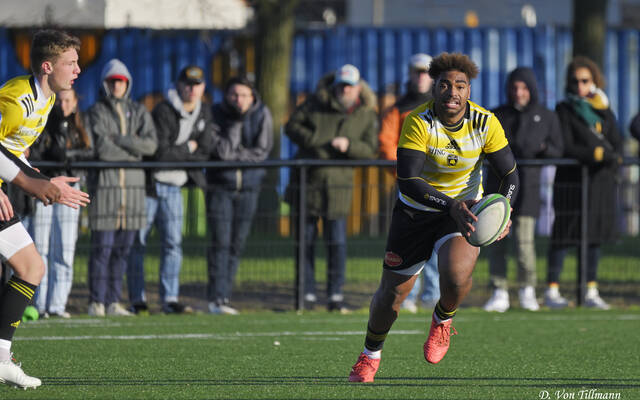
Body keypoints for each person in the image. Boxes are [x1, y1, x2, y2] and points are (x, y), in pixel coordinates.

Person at [348, 52, 519, 383]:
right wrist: (451, 205)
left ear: (469, 90)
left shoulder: (486, 122)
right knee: (392, 296)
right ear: (434, 88)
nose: (452, 92)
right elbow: (409, 181)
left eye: (460, 85)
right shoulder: (418, 120)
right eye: (445, 84)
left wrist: (504, 211)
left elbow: (510, 175)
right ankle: (370, 355)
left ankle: (443, 320)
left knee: (455, 278)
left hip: (463, 212)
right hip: (415, 211)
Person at [0, 29, 90, 389]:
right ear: (47, 66)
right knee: (30, 266)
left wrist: (43, 178)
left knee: (31, 267)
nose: (78, 69)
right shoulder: (16, 98)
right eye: (71, 62)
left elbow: (13, 152)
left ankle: (1, 357)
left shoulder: (48, 99)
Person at [285, 64, 378, 313]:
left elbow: (369, 150)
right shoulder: (314, 103)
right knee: (304, 243)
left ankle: (335, 294)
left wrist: (348, 146)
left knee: (336, 243)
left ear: (358, 88)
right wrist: (319, 143)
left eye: (349, 85)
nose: (344, 89)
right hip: (306, 184)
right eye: (341, 85)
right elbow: (291, 127)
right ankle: (306, 294)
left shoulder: (367, 114)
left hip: (339, 188)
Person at [127, 65, 213, 315]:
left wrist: (184, 153)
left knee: (173, 243)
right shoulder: (163, 110)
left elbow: (206, 151)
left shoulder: (204, 112)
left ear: (203, 87)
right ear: (178, 85)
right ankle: (137, 298)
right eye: (187, 83)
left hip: (175, 188)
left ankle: (170, 298)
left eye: (197, 84)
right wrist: (188, 149)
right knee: (138, 242)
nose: (192, 89)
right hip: (151, 187)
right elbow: (159, 153)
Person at [483, 67, 563, 312]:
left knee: (524, 242)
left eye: (524, 88)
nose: (519, 93)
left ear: (532, 89)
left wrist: (539, 149)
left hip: (528, 188)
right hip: (498, 187)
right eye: (515, 88)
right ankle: (499, 290)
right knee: (495, 238)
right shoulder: (497, 115)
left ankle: (527, 289)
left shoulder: (546, 116)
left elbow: (557, 149)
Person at [545, 56, 622, 310]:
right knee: (564, 233)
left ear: (594, 81)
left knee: (594, 235)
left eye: (585, 81)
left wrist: (609, 155)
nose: (580, 86)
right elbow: (566, 144)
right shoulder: (564, 109)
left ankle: (591, 290)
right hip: (572, 182)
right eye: (575, 81)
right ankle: (552, 290)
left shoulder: (604, 108)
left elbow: (616, 139)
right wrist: (595, 154)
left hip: (599, 183)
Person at [86, 59, 157, 317]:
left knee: (123, 251)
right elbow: (102, 149)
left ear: (127, 84)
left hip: (134, 193)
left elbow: (151, 146)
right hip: (107, 190)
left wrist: (122, 140)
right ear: (105, 83)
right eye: (112, 80)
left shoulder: (139, 111)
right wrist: (132, 150)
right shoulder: (96, 112)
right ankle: (96, 301)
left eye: (121, 81)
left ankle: (114, 301)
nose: (117, 85)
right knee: (102, 249)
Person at [206, 76, 273, 315]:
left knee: (236, 244)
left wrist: (236, 155)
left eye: (244, 95)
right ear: (226, 96)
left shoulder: (263, 113)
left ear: (252, 96)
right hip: (221, 187)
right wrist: (235, 123)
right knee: (220, 243)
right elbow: (221, 152)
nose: (239, 100)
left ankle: (225, 295)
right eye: (234, 95)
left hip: (249, 189)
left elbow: (262, 151)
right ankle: (215, 297)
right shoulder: (215, 113)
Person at [379, 53, 439, 314]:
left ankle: (433, 294)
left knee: (439, 242)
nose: (421, 76)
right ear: (410, 74)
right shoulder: (398, 108)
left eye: (426, 72)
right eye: (417, 71)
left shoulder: (442, 107)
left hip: (438, 186)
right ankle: (410, 295)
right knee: (411, 243)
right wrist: (410, 168)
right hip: (409, 187)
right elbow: (386, 144)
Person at [29, 88, 94, 319]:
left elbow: (89, 152)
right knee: (41, 247)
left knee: (65, 249)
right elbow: (37, 151)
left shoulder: (80, 126)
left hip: (70, 189)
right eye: (61, 101)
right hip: (47, 187)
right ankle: (39, 304)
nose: (64, 105)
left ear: (76, 102)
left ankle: (57, 304)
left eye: (68, 101)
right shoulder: (45, 122)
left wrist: (69, 156)